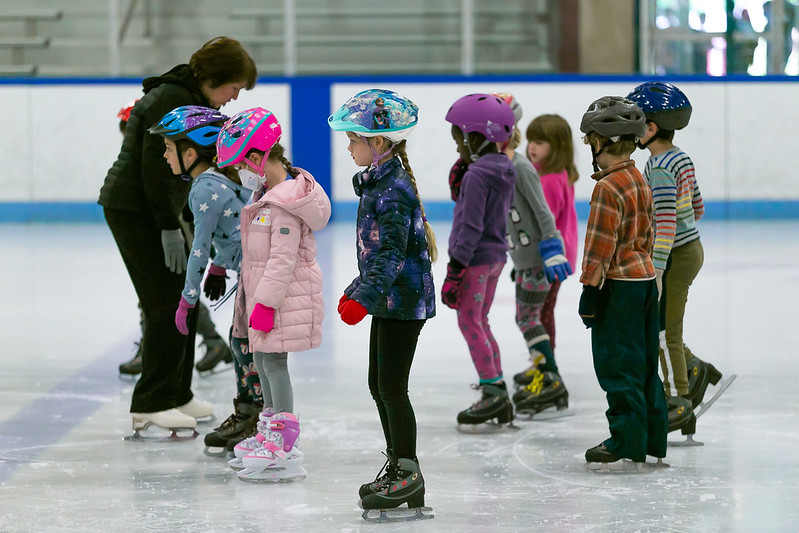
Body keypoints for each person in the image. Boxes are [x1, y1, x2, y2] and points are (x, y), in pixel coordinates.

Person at [98, 36, 256, 436]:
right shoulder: (172, 98)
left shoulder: (186, 96)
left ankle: (177, 394)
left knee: (182, 297)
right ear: (216, 77)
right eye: (234, 87)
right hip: (136, 211)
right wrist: (169, 226)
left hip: (155, 210)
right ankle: (152, 402)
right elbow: (154, 170)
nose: (234, 97)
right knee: (164, 303)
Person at [328, 89, 436, 517]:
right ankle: (398, 465)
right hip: (390, 298)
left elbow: (391, 255)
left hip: (403, 300)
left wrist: (364, 297)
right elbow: (377, 254)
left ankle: (408, 472)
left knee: (391, 387)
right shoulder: (379, 183)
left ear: (377, 142)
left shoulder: (392, 190)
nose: (348, 148)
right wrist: (358, 290)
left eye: (353, 140)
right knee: (379, 385)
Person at [216, 107, 331, 482]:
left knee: (274, 365)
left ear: (256, 157)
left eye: (240, 165)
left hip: (279, 301)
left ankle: (283, 442)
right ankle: (270, 431)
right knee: (263, 363)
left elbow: (282, 260)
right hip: (264, 300)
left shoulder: (282, 204)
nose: (240, 172)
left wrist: (265, 304)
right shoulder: (266, 196)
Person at [148, 105, 262, 455]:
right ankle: (251, 414)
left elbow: (199, 248)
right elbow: (235, 229)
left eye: (169, 148)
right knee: (243, 343)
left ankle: (257, 419)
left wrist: (188, 298)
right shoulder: (220, 177)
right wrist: (220, 266)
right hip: (254, 269)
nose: (165, 155)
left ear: (190, 153)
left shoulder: (203, 189)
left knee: (248, 346)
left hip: (257, 273)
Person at [627, 81, 729, 438]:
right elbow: (697, 207)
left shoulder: (657, 167)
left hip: (673, 256)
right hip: (691, 248)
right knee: (667, 324)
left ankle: (678, 399)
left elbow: (666, 224)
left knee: (664, 331)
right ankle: (695, 368)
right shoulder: (680, 157)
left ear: (651, 128)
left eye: (637, 123)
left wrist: (656, 268)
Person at [577, 96, 668, 466]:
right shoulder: (639, 180)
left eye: (592, 142)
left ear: (601, 142)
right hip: (644, 281)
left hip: (618, 287)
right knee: (645, 363)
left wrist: (589, 291)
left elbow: (599, 247)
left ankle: (626, 440)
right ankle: (652, 437)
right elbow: (648, 235)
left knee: (617, 366)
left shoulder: (607, 187)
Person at [116, 100, 233, 378]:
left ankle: (193, 343)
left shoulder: (172, 162)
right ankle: (211, 342)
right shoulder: (160, 157)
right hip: (173, 227)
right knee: (162, 290)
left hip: (178, 228)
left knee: (163, 290)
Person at [486, 94, 573, 418]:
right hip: (528, 260)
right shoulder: (512, 166)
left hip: (541, 260)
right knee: (529, 318)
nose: (532, 147)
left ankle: (550, 377)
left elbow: (543, 214)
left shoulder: (524, 169)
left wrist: (550, 249)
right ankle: (546, 372)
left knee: (529, 318)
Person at [442, 93, 517, 428]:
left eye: (459, 139)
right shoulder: (503, 167)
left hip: (474, 260)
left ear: (476, 138)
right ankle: (497, 387)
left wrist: (455, 270)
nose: (457, 146)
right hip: (495, 257)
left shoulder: (476, 175)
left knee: (469, 323)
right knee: (480, 321)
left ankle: (493, 392)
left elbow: (470, 227)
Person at [518, 114, 579, 394]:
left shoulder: (550, 180)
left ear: (557, 146)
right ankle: (541, 363)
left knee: (538, 316)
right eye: (531, 140)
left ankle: (547, 370)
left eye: (540, 142)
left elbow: (545, 224)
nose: (532, 147)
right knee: (539, 314)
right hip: (550, 257)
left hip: (549, 259)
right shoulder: (547, 173)